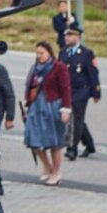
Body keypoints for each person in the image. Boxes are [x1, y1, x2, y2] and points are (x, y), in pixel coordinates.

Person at [23, 41, 72, 185]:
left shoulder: (59, 68)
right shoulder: (35, 68)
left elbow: (66, 89)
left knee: (54, 142)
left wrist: (66, 108)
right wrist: (28, 104)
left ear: (49, 53)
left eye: (41, 53)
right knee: (33, 139)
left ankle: (56, 172)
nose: (39, 56)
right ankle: (47, 167)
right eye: (37, 53)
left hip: (52, 106)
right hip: (36, 106)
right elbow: (30, 87)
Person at [59, 26, 100, 160]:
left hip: (81, 91)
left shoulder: (87, 53)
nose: (66, 38)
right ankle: (89, 144)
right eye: (66, 35)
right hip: (66, 91)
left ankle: (72, 148)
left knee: (76, 119)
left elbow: (93, 74)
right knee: (77, 120)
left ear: (78, 37)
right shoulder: (63, 52)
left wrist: (96, 92)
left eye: (70, 35)